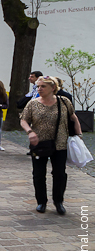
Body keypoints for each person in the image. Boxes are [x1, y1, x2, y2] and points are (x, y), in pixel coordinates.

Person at [20, 76, 81, 215]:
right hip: (39, 143)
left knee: (59, 174)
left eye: (43, 86)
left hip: (59, 143)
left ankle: (58, 201)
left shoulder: (64, 102)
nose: (39, 89)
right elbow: (23, 120)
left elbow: (74, 117)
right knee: (38, 174)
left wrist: (79, 135)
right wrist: (30, 132)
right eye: (38, 86)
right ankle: (41, 202)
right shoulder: (33, 104)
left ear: (53, 88)